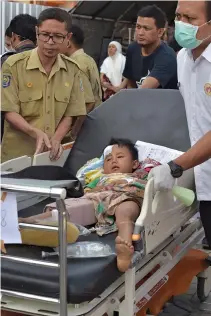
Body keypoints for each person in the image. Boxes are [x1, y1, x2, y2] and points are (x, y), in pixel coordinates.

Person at [19, 138, 160, 272]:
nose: (113, 161)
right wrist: (95, 189)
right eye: (109, 159)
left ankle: (124, 249)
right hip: (98, 200)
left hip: (126, 197)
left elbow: (152, 181)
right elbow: (86, 191)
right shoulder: (100, 178)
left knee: (125, 213)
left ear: (135, 164)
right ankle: (27, 222)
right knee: (64, 208)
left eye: (120, 157)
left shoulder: (139, 174)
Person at [149, 0, 211, 247]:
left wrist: (176, 166)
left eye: (190, 19)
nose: (181, 24)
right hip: (204, 177)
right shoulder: (182, 60)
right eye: (178, 16)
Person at [1, 8, 86, 163]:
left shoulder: (73, 70)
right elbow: (8, 110)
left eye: (58, 37)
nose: (50, 42)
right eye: (45, 35)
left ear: (68, 37)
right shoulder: (13, 66)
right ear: (36, 32)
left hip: (52, 158)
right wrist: (34, 132)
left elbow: (71, 113)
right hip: (18, 157)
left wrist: (56, 139)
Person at [60, 24, 102, 140]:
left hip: (84, 126)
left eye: (60, 38)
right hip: (94, 120)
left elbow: (88, 103)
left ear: (68, 42)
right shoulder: (88, 59)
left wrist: (74, 131)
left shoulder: (76, 64)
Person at [122, 5, 178, 89]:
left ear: (160, 32)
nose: (140, 33)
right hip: (139, 100)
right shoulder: (132, 49)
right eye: (138, 27)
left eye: (146, 28)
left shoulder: (167, 56)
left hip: (162, 101)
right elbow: (131, 83)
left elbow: (144, 90)